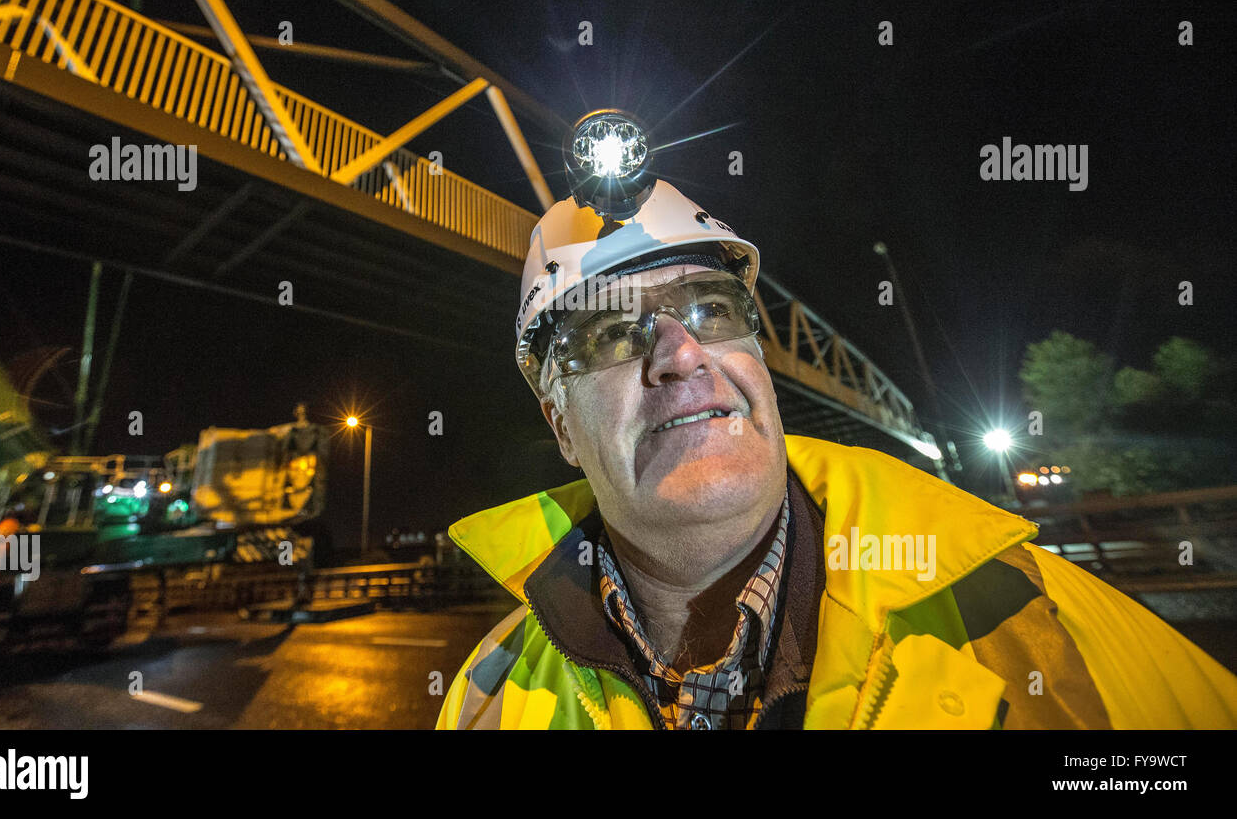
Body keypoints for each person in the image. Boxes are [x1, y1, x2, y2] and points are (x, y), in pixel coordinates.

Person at [436, 174, 1237, 730]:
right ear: (561, 425)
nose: (682, 354)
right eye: (611, 332)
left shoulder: (1032, 610)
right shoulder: (487, 694)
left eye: (713, 308)